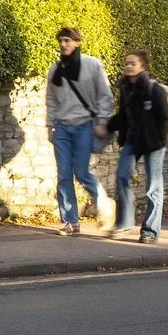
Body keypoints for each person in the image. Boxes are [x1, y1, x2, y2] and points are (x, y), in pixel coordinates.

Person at [45, 25, 114, 236]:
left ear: (77, 42)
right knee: (64, 175)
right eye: (61, 41)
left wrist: (102, 120)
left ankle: (104, 204)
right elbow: (50, 99)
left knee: (82, 172)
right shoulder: (55, 69)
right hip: (62, 128)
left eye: (68, 40)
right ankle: (70, 222)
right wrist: (50, 125)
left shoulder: (92, 65)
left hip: (85, 125)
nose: (64, 44)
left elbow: (105, 95)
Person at [106, 49, 168, 242]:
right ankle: (125, 223)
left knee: (154, 187)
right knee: (122, 175)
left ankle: (150, 231)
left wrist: (159, 141)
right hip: (133, 140)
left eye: (133, 63)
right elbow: (123, 116)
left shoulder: (153, 89)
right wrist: (106, 126)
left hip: (154, 143)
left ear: (142, 67)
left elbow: (164, 117)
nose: (128, 66)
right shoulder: (125, 88)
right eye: (127, 63)